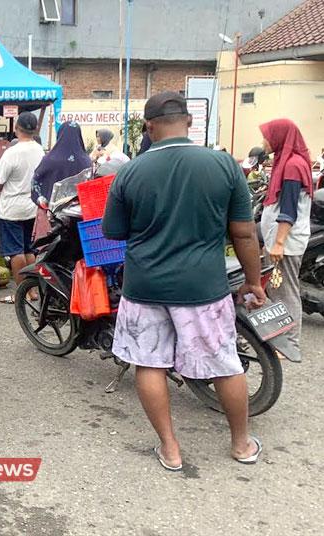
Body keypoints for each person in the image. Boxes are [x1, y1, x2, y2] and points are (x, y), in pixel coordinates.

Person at [102, 91, 266, 471]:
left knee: (150, 365)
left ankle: (171, 449)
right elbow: (243, 233)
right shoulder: (224, 165)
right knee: (225, 363)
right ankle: (241, 444)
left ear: (148, 126)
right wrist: (254, 282)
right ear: (190, 122)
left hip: (145, 288)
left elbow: (112, 230)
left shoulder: (129, 171)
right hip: (203, 288)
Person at [258, 119, 313, 360]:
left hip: (287, 242)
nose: (263, 142)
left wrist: (279, 243)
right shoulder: (287, 161)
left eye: (267, 137)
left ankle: (289, 342)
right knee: (275, 288)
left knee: (285, 289)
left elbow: (288, 210)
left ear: (279, 137)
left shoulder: (292, 166)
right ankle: (279, 338)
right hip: (280, 239)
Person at [0, 112, 45, 304]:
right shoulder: (39, 150)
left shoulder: (12, 152)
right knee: (29, 249)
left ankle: (20, 293)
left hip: (12, 208)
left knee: (16, 252)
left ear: (17, 128)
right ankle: (33, 291)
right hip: (32, 206)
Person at [31, 121, 91, 240]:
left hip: (51, 216)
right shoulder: (86, 161)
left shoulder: (50, 159)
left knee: (46, 248)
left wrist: (43, 201)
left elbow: (36, 182)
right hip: (79, 216)